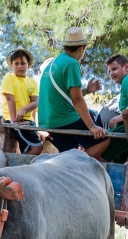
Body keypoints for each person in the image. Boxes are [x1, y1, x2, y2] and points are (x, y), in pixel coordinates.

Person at [38, 27, 106, 156]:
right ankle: (80, 167)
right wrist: (92, 127)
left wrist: (87, 90)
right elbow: (77, 100)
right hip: (63, 119)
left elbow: (64, 95)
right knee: (104, 139)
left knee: (71, 152)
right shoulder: (72, 63)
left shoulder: (54, 62)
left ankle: (71, 168)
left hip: (47, 121)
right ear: (81, 48)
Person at [1, 47, 43, 155]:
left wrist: (24, 109)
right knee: (37, 148)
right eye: (16, 63)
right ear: (12, 65)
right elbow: (10, 99)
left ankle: (23, 162)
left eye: (23, 63)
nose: (19, 66)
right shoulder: (9, 78)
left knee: (35, 146)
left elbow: (35, 102)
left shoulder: (33, 83)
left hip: (28, 121)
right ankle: (22, 168)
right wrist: (15, 120)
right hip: (13, 119)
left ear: (28, 64)